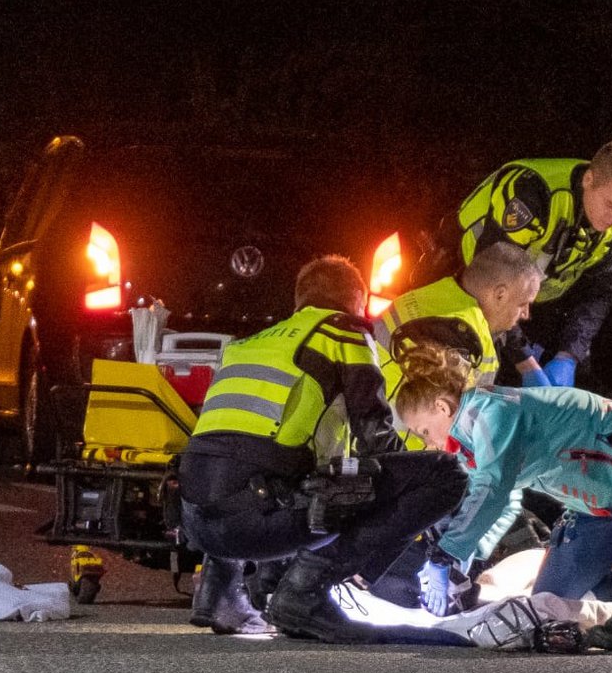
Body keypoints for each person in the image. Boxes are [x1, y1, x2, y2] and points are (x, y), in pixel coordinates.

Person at [179, 256, 468, 642]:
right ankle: (305, 594)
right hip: (261, 521)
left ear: (299, 301)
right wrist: (422, 513)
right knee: (445, 475)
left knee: (240, 460)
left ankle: (219, 595)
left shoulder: (246, 345)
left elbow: (235, 445)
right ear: (358, 302)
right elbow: (376, 441)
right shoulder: (342, 331)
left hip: (197, 521)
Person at [391, 342, 612, 650]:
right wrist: (466, 561)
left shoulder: (492, 414)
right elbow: (506, 503)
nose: (428, 443)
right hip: (599, 513)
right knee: (545, 608)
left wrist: (445, 555)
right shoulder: (472, 444)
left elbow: (492, 490)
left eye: (424, 431)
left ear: (442, 407)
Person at [441, 139, 612, 387]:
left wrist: (570, 355)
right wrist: (525, 362)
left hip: (533, 300)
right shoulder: (533, 195)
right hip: (466, 280)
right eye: (610, 205)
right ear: (589, 180)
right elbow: (492, 287)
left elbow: (600, 293)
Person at [373, 241, 541, 395]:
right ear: (500, 294)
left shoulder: (432, 291)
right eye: (522, 303)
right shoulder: (472, 339)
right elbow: (461, 422)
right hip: (391, 426)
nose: (526, 313)